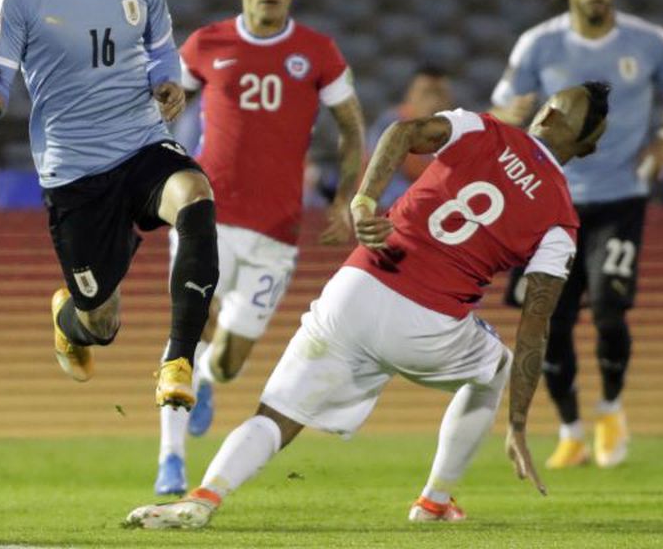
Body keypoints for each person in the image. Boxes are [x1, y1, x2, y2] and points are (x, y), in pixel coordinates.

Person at [126, 82, 611, 529]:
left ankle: (204, 497)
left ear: (557, 124)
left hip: (356, 289)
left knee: (276, 414)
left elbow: (403, 132)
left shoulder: (482, 127)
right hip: (431, 326)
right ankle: (434, 502)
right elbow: (535, 325)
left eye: (556, 111)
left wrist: (364, 202)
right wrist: (519, 424)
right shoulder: (561, 220)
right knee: (496, 365)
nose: (546, 112)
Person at [0, 0, 219, 412]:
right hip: (76, 171)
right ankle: (68, 319)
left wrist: (168, 84)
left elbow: (160, 54)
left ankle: (178, 361)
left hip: (142, 142)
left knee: (196, 196)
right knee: (100, 322)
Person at [153, 0, 367, 496]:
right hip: (206, 212)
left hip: (276, 232)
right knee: (188, 324)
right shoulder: (206, 44)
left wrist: (345, 195)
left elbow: (351, 127)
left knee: (227, 363)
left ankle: (204, 377)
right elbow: (163, 105)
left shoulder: (319, 52)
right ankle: (170, 461)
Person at [491, 0, 663, 470]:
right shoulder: (537, 45)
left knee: (609, 308)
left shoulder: (649, 42)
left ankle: (609, 410)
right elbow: (503, 103)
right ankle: (571, 430)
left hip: (619, 200)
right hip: (547, 204)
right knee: (550, 320)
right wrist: (508, 113)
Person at [367, 65, 453, 210]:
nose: (433, 102)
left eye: (439, 94)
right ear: (410, 95)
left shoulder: (458, 131)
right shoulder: (391, 126)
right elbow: (381, 180)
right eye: (426, 93)